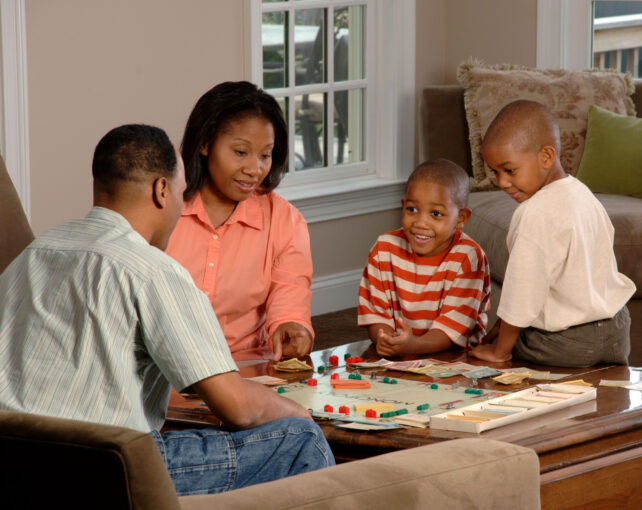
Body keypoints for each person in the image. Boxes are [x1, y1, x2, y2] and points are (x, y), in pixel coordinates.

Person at [0, 124, 334, 495]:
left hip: (14, 465)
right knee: (301, 437)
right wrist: (300, 413)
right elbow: (239, 407)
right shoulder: (152, 270)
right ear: (162, 190)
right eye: (180, 191)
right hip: (105, 472)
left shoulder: (33, 255)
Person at [470, 100, 636, 366]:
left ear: (546, 156)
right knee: (513, 327)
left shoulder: (533, 213)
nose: (501, 182)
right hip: (616, 331)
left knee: (498, 347)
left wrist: (499, 352)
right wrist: (502, 325)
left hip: (566, 343)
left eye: (509, 170)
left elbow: (522, 290)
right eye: (495, 172)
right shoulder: (583, 194)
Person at [166, 81, 313, 361]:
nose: (254, 169)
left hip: (244, 368)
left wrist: (292, 326)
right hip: (167, 370)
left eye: (265, 155)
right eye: (240, 152)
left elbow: (291, 293)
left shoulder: (285, 220)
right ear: (206, 143)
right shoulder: (163, 209)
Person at [358, 159, 492, 356]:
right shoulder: (384, 248)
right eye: (412, 209)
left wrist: (414, 345)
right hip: (401, 352)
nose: (420, 223)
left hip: (457, 356)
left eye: (436, 214)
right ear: (403, 206)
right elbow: (376, 314)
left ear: (461, 219)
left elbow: (454, 327)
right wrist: (387, 340)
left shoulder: (468, 257)